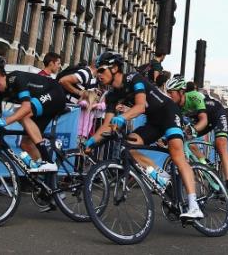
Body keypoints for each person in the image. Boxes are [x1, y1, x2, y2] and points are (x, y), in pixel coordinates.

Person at [84, 52, 203, 220]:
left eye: (102, 70)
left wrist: (122, 117)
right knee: (129, 146)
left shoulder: (133, 78)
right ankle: (162, 177)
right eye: (98, 71)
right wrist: (90, 142)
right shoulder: (112, 96)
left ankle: (194, 205)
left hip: (168, 113)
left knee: (177, 155)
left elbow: (140, 106)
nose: (98, 74)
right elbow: (106, 126)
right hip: (153, 122)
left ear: (115, 68)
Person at [0, 55, 66, 173]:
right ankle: (45, 181)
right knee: (25, 144)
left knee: (22, 113)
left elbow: (26, 107)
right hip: (40, 104)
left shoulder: (15, 78)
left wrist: (4, 121)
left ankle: (48, 162)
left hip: (55, 93)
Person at [166, 76, 228, 191]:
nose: (168, 95)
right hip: (202, 119)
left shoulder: (194, 96)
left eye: (171, 93)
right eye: (167, 92)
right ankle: (205, 163)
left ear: (181, 92)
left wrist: (192, 130)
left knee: (221, 143)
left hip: (217, 114)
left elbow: (204, 120)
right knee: (185, 140)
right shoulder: (174, 106)